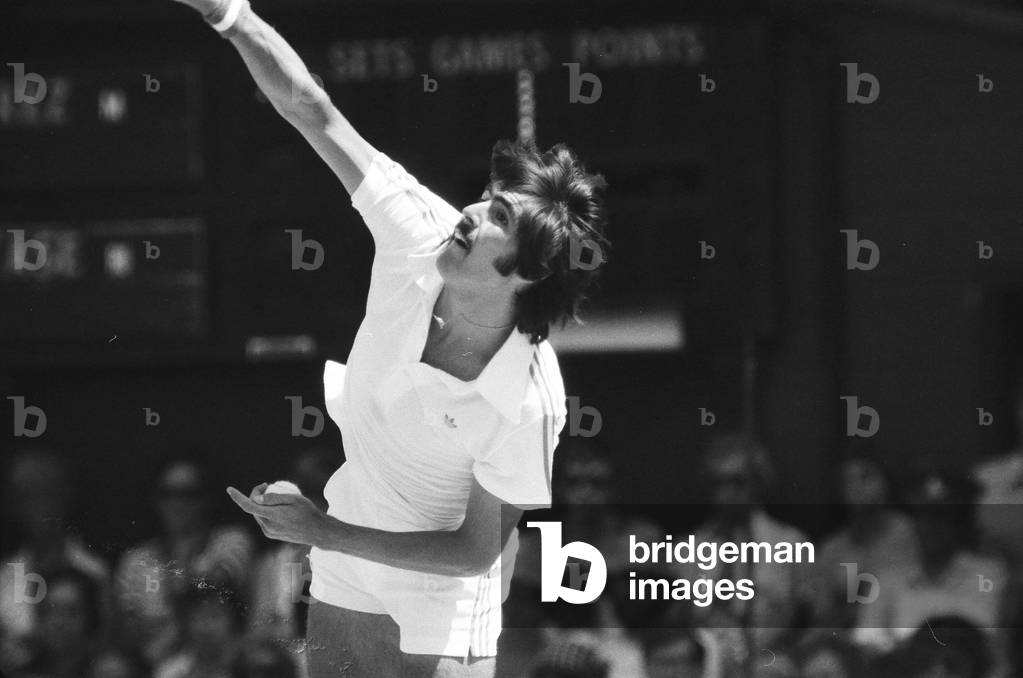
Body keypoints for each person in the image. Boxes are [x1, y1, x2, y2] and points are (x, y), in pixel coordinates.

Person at [167, 1, 609, 677]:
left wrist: (321, 530)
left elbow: (475, 551)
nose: (470, 214)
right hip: (348, 553)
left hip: (441, 587)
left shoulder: (526, 400)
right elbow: (311, 110)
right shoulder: (418, 231)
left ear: (526, 273)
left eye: (496, 216)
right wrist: (230, 15)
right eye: (486, 198)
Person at [114, 458, 254, 665]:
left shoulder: (232, 540)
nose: (177, 503)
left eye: (189, 494)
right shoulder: (135, 560)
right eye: (168, 494)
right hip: (151, 664)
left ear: (208, 498)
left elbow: (211, 591)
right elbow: (128, 629)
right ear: (155, 500)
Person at [0, 450, 111, 674]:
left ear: (64, 499)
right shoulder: (5, 574)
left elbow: (105, 645)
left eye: (47, 495)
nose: (39, 507)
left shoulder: (94, 570)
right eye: (28, 497)